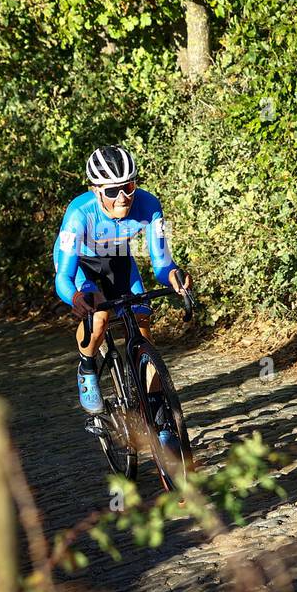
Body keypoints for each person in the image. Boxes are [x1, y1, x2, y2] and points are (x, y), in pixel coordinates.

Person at [52, 145, 193, 446]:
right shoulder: (79, 215)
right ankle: (87, 365)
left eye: (128, 186)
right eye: (113, 190)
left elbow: (162, 261)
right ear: (96, 190)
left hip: (118, 259)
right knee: (100, 316)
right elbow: (63, 276)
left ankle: (156, 414)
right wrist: (76, 298)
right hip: (81, 265)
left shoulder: (150, 205)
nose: (123, 197)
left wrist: (173, 276)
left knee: (143, 322)